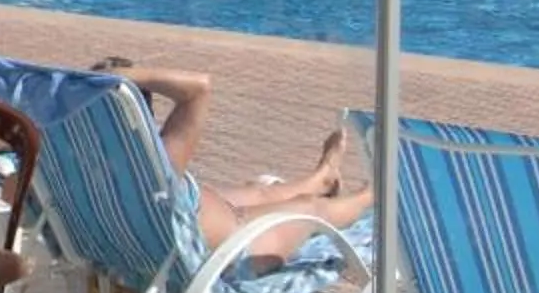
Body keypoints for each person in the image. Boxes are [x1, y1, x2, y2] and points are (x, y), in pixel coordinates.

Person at [88, 57, 373, 264]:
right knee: (310, 208)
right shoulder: (151, 166)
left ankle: (322, 177)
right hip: (237, 245)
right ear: (139, 114)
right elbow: (199, 88)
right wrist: (128, 74)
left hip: (189, 216)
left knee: (261, 192)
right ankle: (373, 194)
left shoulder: (73, 163)